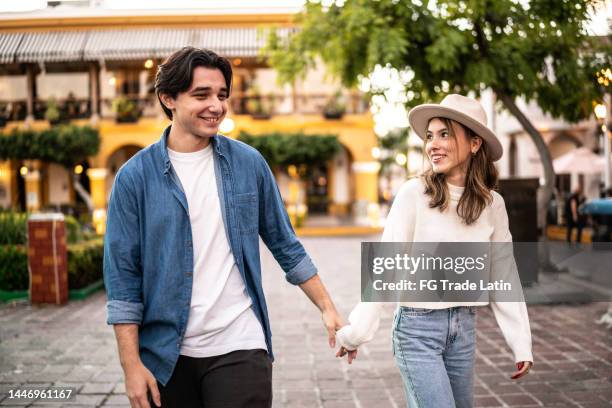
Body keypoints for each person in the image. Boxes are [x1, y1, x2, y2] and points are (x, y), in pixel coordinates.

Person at [103, 47, 349, 408]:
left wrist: (328, 308)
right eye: (201, 95)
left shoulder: (249, 164)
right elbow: (123, 276)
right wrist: (130, 365)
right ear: (168, 98)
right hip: (164, 355)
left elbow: (285, 244)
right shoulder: (134, 178)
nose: (216, 106)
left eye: (221, 95)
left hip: (240, 343)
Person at [335, 94, 533, 407]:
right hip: (416, 331)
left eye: (445, 134)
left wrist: (521, 344)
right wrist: (355, 332)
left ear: (474, 143)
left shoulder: (493, 205)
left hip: (464, 329)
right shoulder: (414, 194)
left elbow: (503, 274)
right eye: (430, 136)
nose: (433, 145)